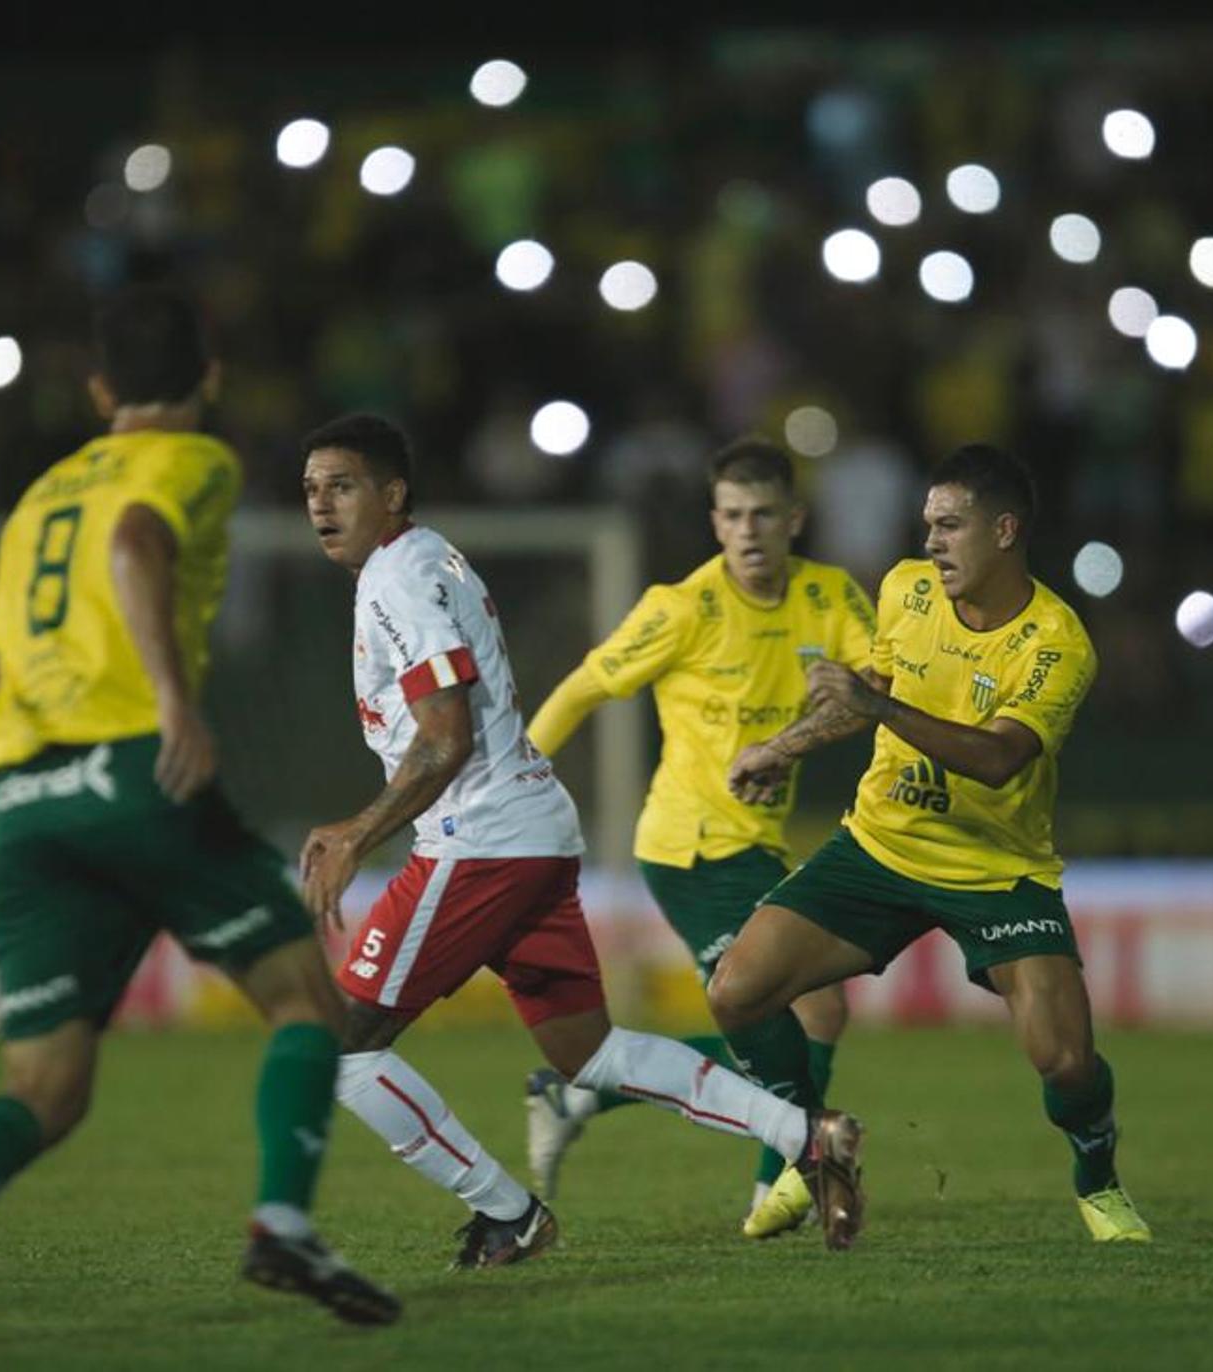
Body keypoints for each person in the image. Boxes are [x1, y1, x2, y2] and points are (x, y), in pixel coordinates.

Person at [0, 287, 399, 1348]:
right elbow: (135, 545)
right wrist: (170, 699)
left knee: (48, 1084)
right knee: (307, 997)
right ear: (208, 378)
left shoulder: (34, 498)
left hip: (23, 803)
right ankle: (284, 1222)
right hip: (131, 775)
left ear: (102, 387)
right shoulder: (192, 462)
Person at [296, 413, 868, 1262]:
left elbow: (446, 735)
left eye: (341, 487)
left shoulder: (400, 580)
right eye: (309, 490)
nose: (319, 506)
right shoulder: (424, 558)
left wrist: (357, 833)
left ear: (392, 493)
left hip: (479, 841)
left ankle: (506, 1212)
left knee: (337, 1048)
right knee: (588, 1051)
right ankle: (806, 1136)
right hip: (530, 829)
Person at [721, 443, 1152, 1244]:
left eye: (950, 526)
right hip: (880, 845)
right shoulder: (904, 591)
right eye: (928, 526)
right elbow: (868, 699)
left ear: (1005, 531)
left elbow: (998, 759)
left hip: (996, 869)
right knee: (737, 991)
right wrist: (780, 748)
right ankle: (809, 1143)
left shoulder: (1056, 642)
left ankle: (1099, 1180)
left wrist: (878, 710)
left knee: (1065, 1063)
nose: (931, 543)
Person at [521, 437, 876, 1233]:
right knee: (792, 1012)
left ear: (795, 519)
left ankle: (582, 1091)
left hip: (759, 843)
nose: (747, 532)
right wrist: (513, 786)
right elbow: (581, 688)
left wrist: (843, 701)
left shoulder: (830, 595)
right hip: (691, 847)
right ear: (715, 523)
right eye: (732, 516)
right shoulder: (682, 607)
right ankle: (776, 1185)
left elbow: (881, 683)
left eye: (763, 515)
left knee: (813, 1013)